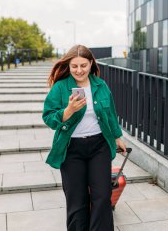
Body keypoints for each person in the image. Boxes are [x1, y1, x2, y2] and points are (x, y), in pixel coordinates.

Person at [42, 44, 126, 231]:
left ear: (91, 64)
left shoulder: (100, 85)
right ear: (68, 66)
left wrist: (117, 136)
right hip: (71, 149)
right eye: (74, 66)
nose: (79, 70)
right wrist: (68, 111)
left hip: (99, 146)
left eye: (83, 65)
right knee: (76, 200)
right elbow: (48, 117)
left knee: (102, 197)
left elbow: (110, 113)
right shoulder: (60, 87)